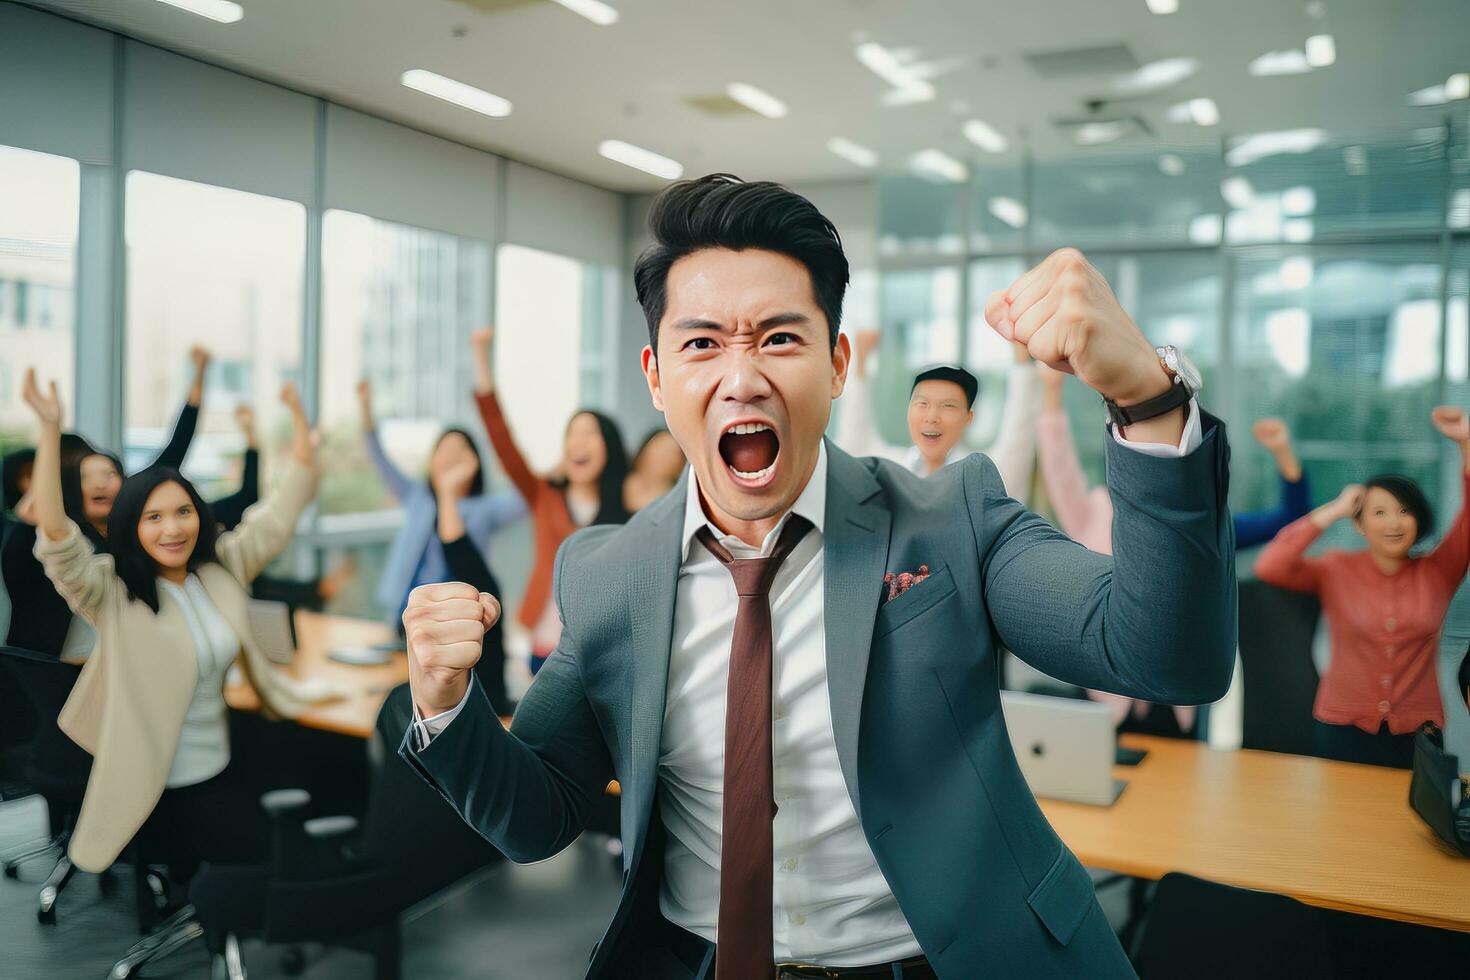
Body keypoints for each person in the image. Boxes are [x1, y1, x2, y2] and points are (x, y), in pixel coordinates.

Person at [399, 175, 1234, 978]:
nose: (742, 377)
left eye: (779, 337)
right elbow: (537, 816)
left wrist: (1148, 402)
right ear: (657, 378)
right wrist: (445, 703)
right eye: (701, 344)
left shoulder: (953, 517)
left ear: (837, 366)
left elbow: (1165, 657)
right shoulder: (608, 572)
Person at [24, 369, 344, 876]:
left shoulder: (222, 568)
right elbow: (58, 539)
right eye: (153, 517)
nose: (172, 528)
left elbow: (281, 512)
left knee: (316, 779)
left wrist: (300, 422)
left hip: (220, 764)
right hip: (155, 784)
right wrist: (48, 431)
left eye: (183, 512)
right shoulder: (110, 590)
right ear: (131, 525)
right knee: (267, 853)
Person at [1036, 363, 1313, 736]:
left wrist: (1282, 452)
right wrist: (1051, 392)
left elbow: (1291, 519)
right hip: (1107, 694)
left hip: (1174, 701)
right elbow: (1059, 467)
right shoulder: (1094, 514)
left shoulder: (1198, 526)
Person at [1255, 406, 1470, 769]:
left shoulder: (1439, 570)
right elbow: (1270, 564)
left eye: (1404, 511)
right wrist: (1336, 509)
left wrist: (1465, 442)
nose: (1394, 523)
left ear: (1419, 520)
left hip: (1418, 731)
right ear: (1360, 525)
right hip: (1340, 726)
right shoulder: (1336, 568)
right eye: (1379, 512)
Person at [1, 347, 215, 658]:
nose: (100, 483)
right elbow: (38, 519)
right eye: (83, 476)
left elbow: (174, 451)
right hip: (45, 674)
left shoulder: (133, 537)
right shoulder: (52, 538)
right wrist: (49, 432)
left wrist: (198, 377)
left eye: (109, 473)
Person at [469, 326, 631, 674]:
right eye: (572, 433)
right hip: (544, 640)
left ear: (609, 447)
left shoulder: (626, 504)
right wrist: (481, 358)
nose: (578, 441)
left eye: (589, 434)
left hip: (600, 648)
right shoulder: (543, 494)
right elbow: (502, 441)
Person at [358, 378, 527, 631]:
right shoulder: (416, 496)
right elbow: (378, 456)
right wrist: (365, 407)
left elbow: (526, 496)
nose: (450, 457)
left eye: (460, 452)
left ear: (474, 464)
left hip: (455, 616)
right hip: (406, 608)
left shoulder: (485, 509)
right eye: (444, 450)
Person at [835, 327, 1040, 498]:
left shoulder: (985, 480)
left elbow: (1018, 439)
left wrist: (1022, 364)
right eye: (922, 404)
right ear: (908, 411)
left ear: (969, 417)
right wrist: (860, 364)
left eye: (948, 406)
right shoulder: (888, 472)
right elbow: (854, 443)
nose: (932, 417)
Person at [625, 428, 687, 512]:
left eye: (670, 452)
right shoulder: (616, 483)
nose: (662, 457)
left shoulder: (678, 501)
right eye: (659, 449)